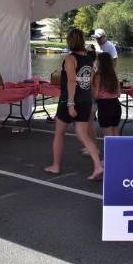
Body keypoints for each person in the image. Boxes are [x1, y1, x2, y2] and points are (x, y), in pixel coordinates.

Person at [45, 29, 104, 180]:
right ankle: (98, 165)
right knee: (83, 135)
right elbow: (89, 82)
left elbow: (71, 81)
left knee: (59, 133)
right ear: (82, 41)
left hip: (69, 101)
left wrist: (70, 104)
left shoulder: (70, 58)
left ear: (69, 41)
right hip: (85, 100)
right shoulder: (89, 59)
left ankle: (56, 166)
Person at [93, 52, 122, 137]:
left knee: (108, 135)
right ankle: (117, 150)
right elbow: (119, 94)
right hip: (116, 105)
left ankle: (110, 150)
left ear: (100, 62)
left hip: (104, 106)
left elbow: (96, 94)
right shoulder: (114, 75)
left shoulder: (98, 75)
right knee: (115, 133)